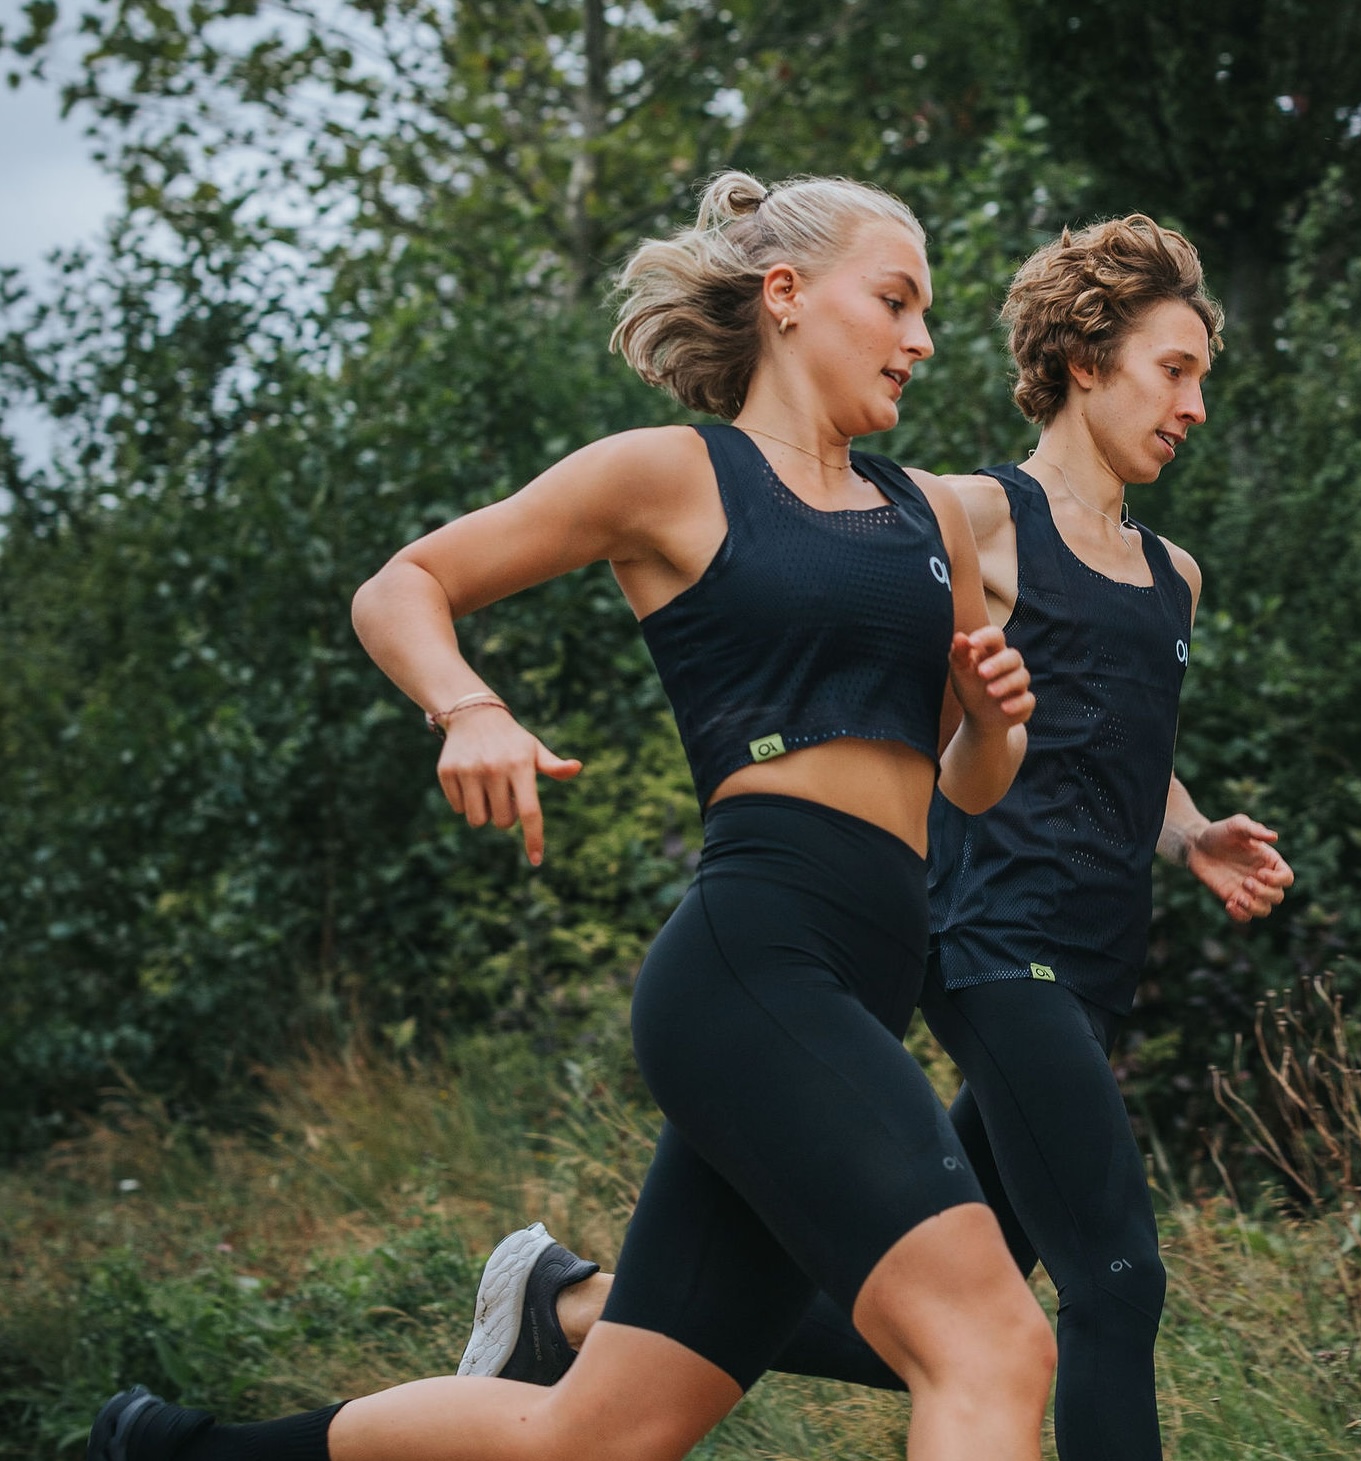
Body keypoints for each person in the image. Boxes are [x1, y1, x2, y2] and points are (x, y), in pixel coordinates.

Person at [87, 172, 1056, 1461]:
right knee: (992, 1343)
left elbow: (970, 785)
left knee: (595, 1440)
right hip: (756, 965)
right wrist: (467, 710)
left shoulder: (924, 510)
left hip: (862, 968)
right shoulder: (673, 475)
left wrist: (991, 721)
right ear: (785, 298)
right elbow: (406, 584)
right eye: (896, 301)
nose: (923, 339)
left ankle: (170, 1448)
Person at [456, 215, 1295, 1461]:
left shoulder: (1171, 575)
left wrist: (1186, 836)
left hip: (1037, 960)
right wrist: (475, 705)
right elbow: (920, 701)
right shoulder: (963, 512)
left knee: (912, 1316)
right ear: (1085, 359)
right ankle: (572, 1305)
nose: (1195, 406)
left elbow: (1104, 738)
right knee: (1095, 1291)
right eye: (1175, 371)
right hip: (986, 950)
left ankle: (565, 1306)